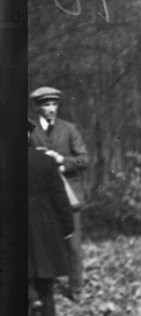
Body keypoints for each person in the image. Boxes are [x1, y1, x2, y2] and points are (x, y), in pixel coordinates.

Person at [29, 86, 89, 296]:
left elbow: (84, 159)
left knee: (73, 244)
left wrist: (62, 161)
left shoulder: (69, 129)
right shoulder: (30, 129)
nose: (51, 109)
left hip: (69, 193)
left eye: (54, 104)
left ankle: (76, 288)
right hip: (41, 196)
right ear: (37, 106)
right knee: (40, 242)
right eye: (46, 104)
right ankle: (41, 291)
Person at [27, 119, 77, 316]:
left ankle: (31, 299)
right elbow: (59, 197)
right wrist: (67, 226)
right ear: (28, 136)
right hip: (44, 221)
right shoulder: (45, 161)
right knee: (45, 271)